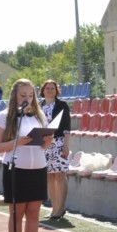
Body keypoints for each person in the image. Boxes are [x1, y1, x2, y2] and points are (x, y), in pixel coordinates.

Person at [0, 79, 54, 232]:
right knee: (17, 214)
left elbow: (44, 147)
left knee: (34, 214)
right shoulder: (4, 116)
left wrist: (48, 140)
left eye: (30, 95)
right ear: (14, 96)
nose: (27, 99)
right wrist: (17, 142)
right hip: (16, 170)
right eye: (23, 95)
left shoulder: (39, 116)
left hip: (38, 169)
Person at [39, 80, 72, 220]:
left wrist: (66, 145)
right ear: (43, 90)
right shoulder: (39, 106)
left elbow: (67, 127)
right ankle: (53, 208)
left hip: (59, 143)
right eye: (47, 88)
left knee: (60, 175)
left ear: (56, 90)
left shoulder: (62, 105)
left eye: (52, 88)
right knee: (49, 177)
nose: (50, 90)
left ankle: (61, 208)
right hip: (44, 145)